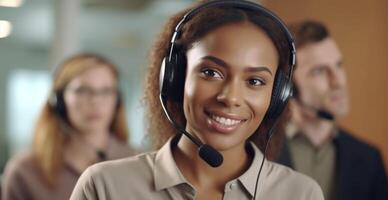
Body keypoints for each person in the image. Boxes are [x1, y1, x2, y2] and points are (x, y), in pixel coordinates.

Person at [70, 1, 324, 199]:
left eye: (255, 81)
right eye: (211, 73)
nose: (231, 98)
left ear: (278, 95)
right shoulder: (105, 187)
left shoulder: (301, 194)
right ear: (175, 78)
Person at [277, 20, 388, 200]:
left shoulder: (369, 159)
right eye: (320, 71)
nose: (338, 81)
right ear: (289, 86)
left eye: (338, 65)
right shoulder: (258, 151)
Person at [1, 54, 137, 200]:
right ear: (58, 101)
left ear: (117, 101)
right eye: (82, 90)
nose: (95, 101)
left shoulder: (137, 163)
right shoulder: (24, 171)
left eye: (106, 91)